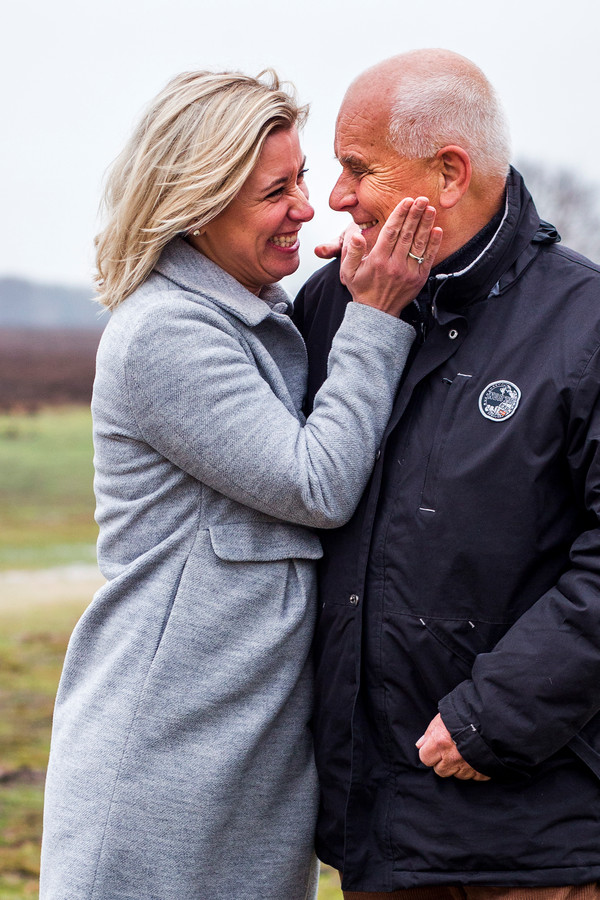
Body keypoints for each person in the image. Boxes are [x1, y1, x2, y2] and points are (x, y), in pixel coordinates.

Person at [39, 69, 442, 900]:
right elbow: (317, 482)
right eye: (274, 191)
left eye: (301, 179)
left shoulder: (251, 316)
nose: (306, 206)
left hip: (244, 763)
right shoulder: (165, 334)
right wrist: (372, 316)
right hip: (165, 762)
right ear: (198, 202)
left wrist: (345, 289)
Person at [293, 49, 600, 899]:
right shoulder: (335, 305)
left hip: (527, 834)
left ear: (450, 171)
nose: (338, 197)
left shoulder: (584, 324)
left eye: (358, 169)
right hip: (372, 839)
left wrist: (490, 719)